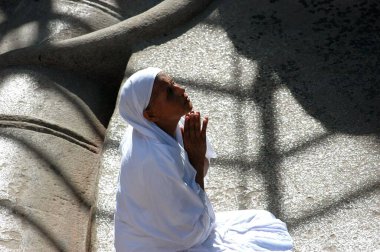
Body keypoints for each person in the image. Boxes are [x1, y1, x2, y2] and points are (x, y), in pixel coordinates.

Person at [114, 67, 293, 251]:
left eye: (173, 83)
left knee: (260, 222)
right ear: (150, 114)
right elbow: (189, 233)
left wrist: (195, 155)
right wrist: (196, 160)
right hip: (152, 245)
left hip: (165, 231)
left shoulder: (158, 126)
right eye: (169, 92)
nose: (181, 90)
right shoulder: (154, 161)